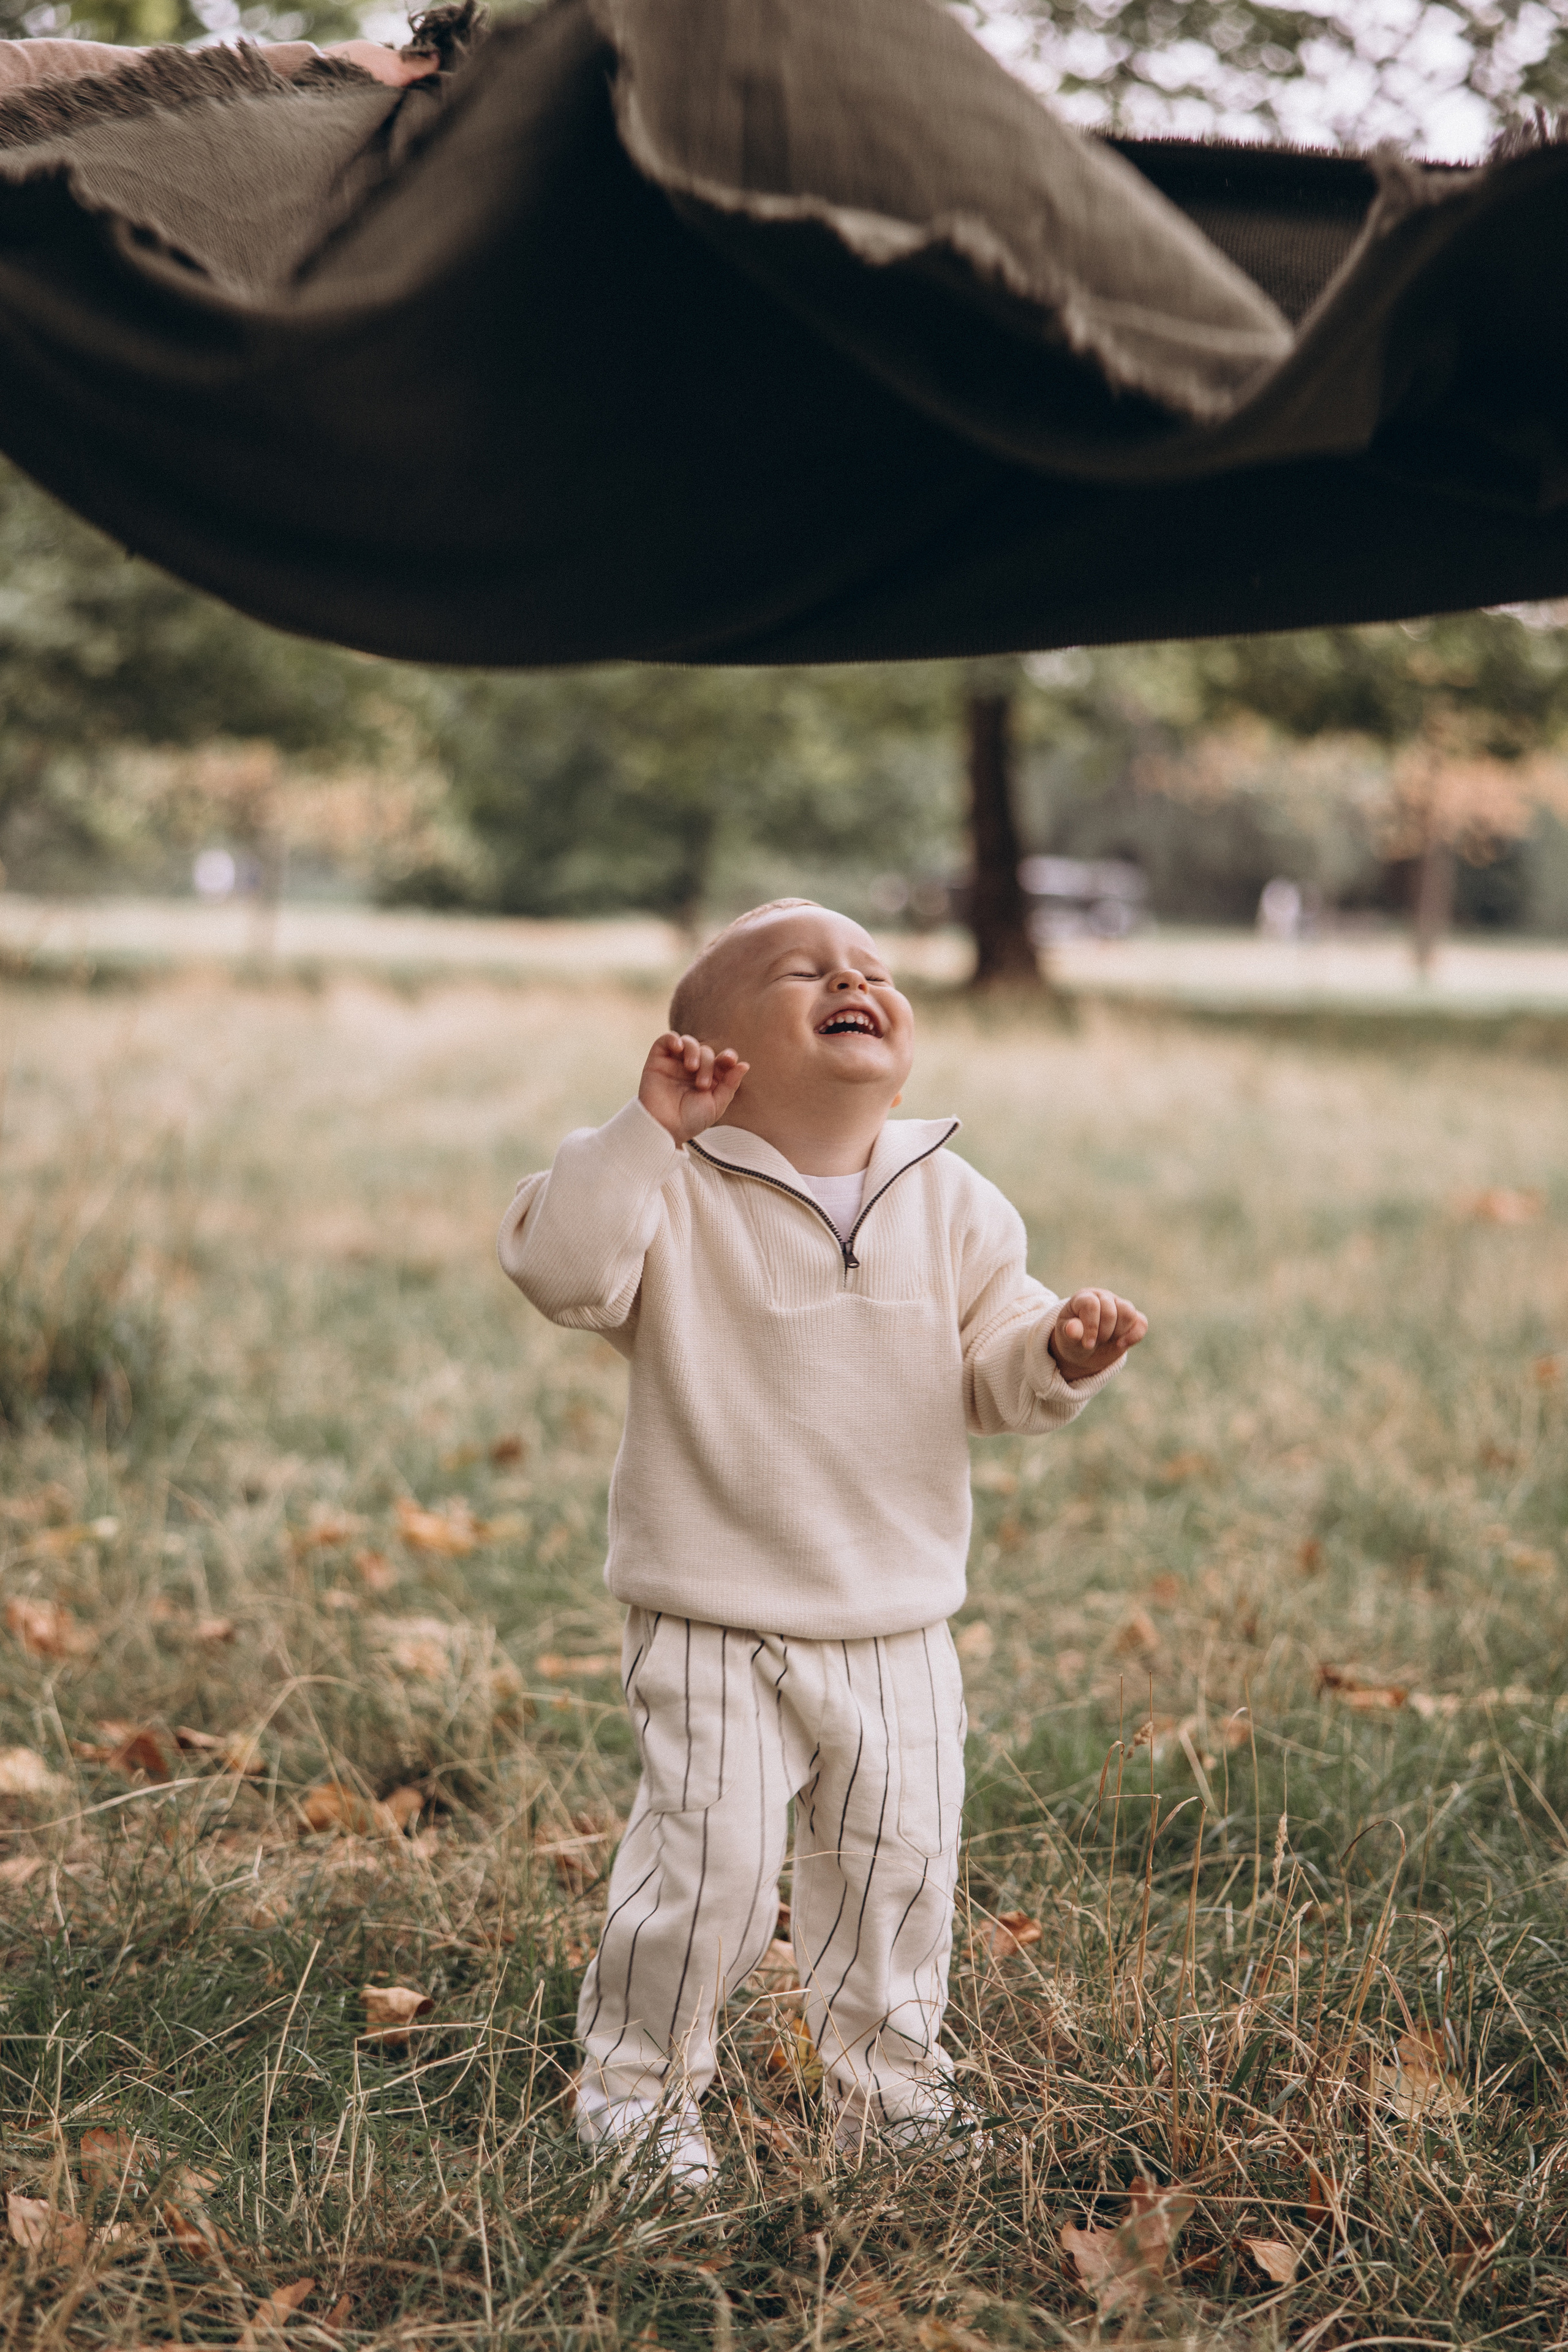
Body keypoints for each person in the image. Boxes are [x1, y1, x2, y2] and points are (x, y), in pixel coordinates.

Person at [498, 900, 1147, 2185]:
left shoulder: (954, 1201)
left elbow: (992, 1368)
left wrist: (1057, 1354)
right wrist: (643, 1132)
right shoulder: (668, 1191)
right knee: (709, 1868)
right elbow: (562, 1271)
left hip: (895, 1618)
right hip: (709, 1610)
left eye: (872, 970)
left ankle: (889, 2085)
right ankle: (637, 2088)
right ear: (711, 1051)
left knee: (896, 1871)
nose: (854, 979)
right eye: (805, 973)